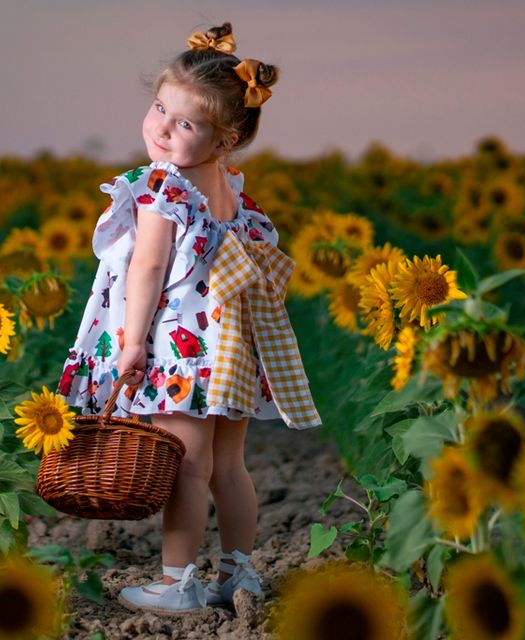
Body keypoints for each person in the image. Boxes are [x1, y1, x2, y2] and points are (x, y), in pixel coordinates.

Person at [57, 22, 321, 615]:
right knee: (229, 467)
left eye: (184, 123)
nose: (160, 128)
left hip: (180, 349)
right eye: (158, 108)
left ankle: (177, 581)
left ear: (225, 139)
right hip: (230, 351)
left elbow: (147, 270)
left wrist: (130, 345)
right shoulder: (240, 203)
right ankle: (239, 574)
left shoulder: (163, 191)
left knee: (188, 466)